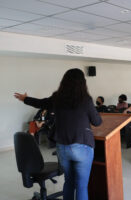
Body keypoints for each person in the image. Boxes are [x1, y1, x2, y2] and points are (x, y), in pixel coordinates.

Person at [14, 68, 102, 200]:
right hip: (82, 147)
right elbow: (97, 122)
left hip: (62, 147)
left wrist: (25, 99)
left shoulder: (57, 98)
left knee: (69, 182)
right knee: (82, 186)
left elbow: (40, 103)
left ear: (64, 81)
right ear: (83, 82)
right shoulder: (86, 100)